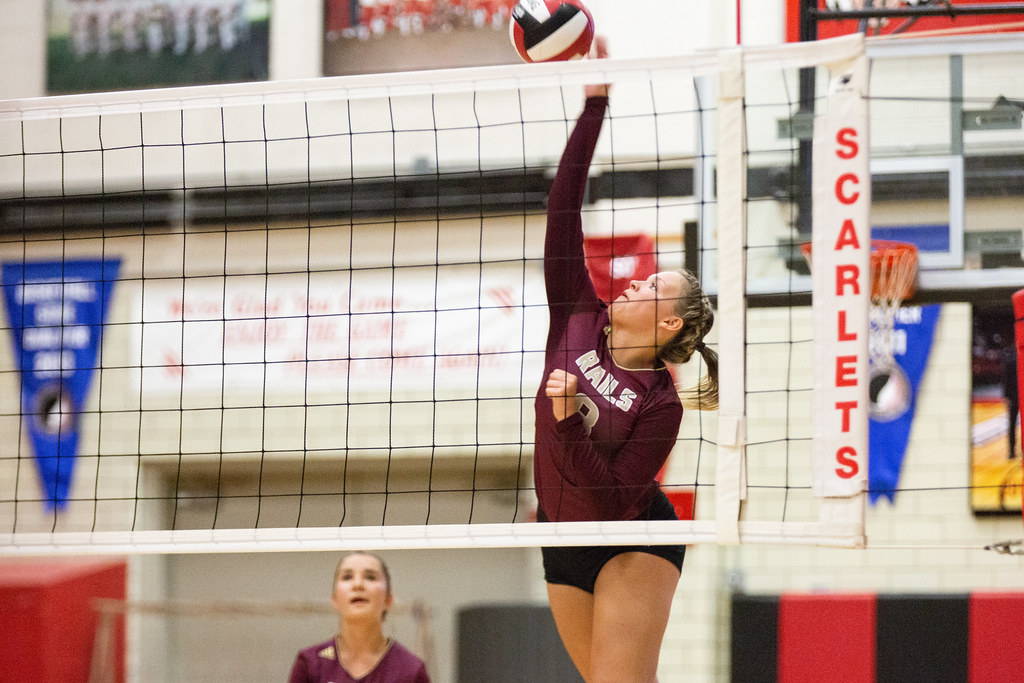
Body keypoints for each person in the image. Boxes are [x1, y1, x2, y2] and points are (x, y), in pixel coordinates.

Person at [534, 37, 719, 683]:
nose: (634, 283)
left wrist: (565, 421)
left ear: (668, 323)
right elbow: (564, 210)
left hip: (631, 537)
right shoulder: (577, 313)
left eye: (651, 287)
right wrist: (594, 105)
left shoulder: (660, 403)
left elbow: (613, 501)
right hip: (560, 536)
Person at [288, 551, 430, 683]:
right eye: (347, 577)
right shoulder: (309, 663)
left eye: (370, 577)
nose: (358, 585)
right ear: (334, 599)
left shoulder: (411, 670)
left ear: (388, 600)